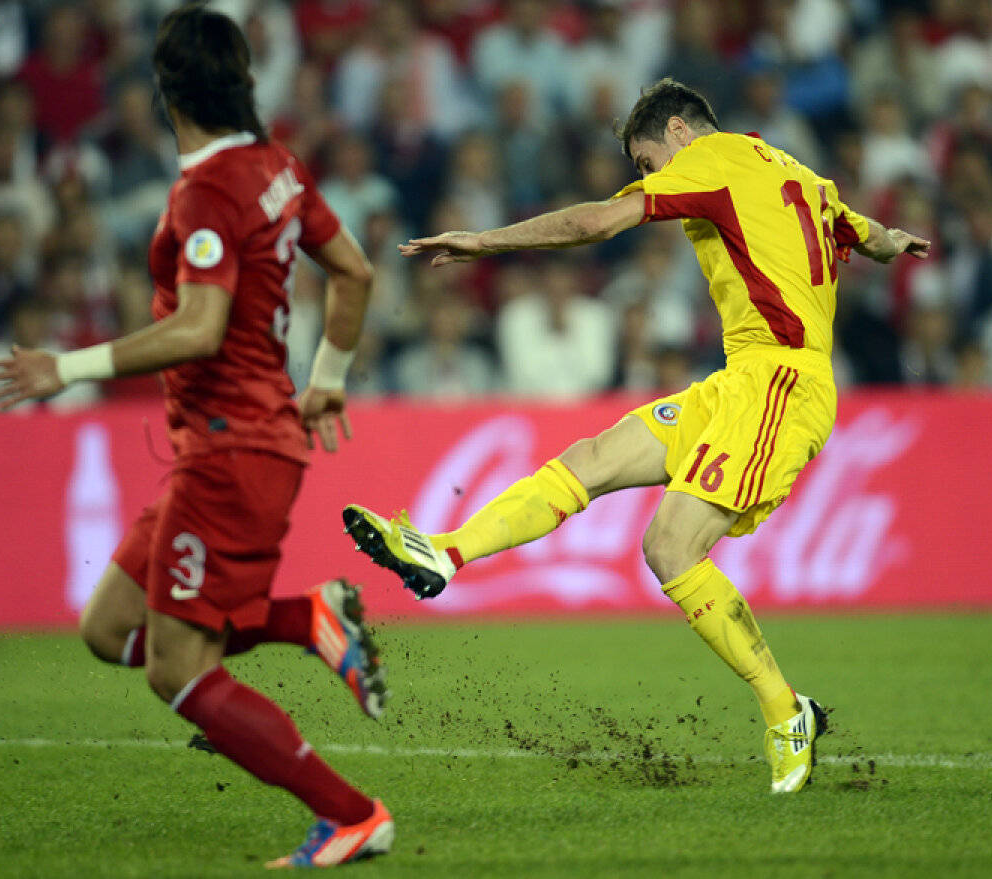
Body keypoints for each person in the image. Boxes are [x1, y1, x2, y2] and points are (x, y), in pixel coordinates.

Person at [344, 78, 930, 794]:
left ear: (681, 132)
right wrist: (890, 240)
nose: (653, 178)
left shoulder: (708, 164)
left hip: (780, 383)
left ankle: (787, 710)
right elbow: (857, 228)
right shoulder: (795, 172)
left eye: (650, 160)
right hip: (740, 379)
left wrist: (485, 242)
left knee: (668, 546)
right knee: (591, 459)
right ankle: (442, 551)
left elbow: (595, 224)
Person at [0, 4, 393, 868]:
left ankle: (352, 814)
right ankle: (308, 618)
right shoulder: (276, 165)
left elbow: (201, 325)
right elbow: (353, 270)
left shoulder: (205, 190)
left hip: (232, 447)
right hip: (234, 442)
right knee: (111, 627)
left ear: (165, 92)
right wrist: (328, 379)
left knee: (176, 668)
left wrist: (71, 364)